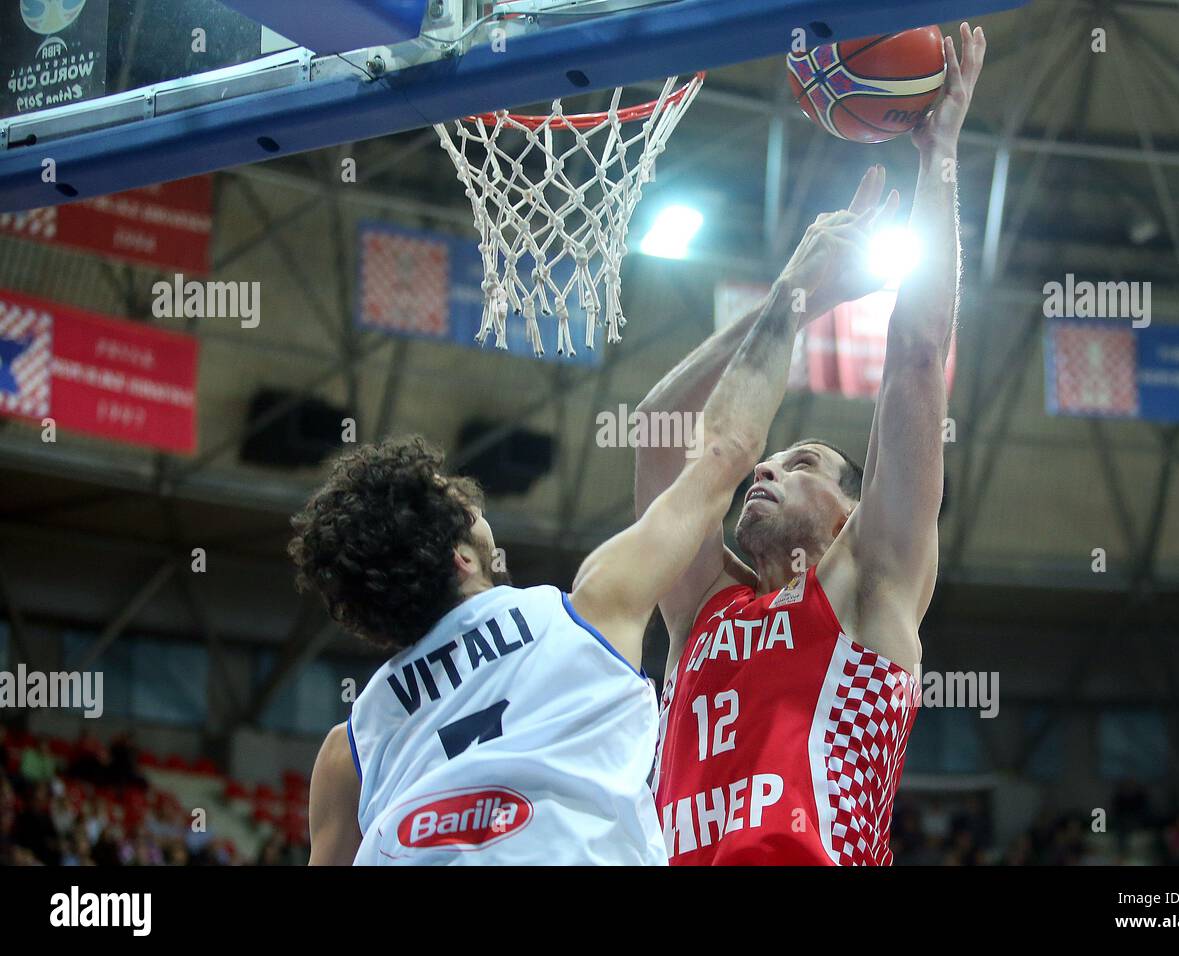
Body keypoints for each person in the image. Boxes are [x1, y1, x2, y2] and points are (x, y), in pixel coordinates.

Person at [289, 227, 882, 863]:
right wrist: (791, 292)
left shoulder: (343, 751)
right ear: (461, 558)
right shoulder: (584, 611)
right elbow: (726, 449)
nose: (477, 503)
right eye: (465, 509)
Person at [639, 24, 986, 864]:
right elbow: (656, 423)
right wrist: (788, 297)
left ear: (854, 511)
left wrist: (937, 156)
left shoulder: (874, 584)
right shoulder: (700, 609)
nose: (764, 465)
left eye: (803, 464)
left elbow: (913, 360)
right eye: (769, 457)